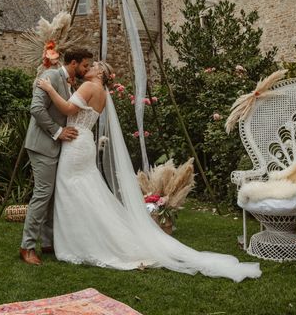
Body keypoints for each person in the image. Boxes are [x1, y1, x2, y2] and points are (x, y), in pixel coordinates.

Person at [36, 60, 262, 282]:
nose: (88, 68)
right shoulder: (102, 93)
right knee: (86, 191)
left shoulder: (88, 86)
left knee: (72, 191)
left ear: (100, 73)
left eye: (93, 66)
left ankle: (77, 244)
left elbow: (66, 108)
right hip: (83, 142)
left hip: (75, 143)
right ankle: (83, 239)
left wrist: (47, 87)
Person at [19, 48, 92, 266]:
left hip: (56, 147)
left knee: (52, 195)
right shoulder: (50, 76)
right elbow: (36, 108)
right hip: (42, 145)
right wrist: (58, 132)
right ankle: (27, 246)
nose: (87, 69)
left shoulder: (71, 83)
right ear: (73, 63)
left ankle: (48, 242)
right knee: (42, 194)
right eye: (85, 65)